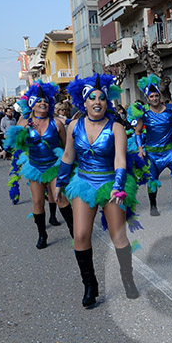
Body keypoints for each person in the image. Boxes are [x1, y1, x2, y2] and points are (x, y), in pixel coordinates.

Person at [54, 74, 139, 307]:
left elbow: (120, 159)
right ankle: (90, 285)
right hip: (84, 182)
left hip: (110, 183)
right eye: (92, 98)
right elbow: (68, 155)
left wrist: (119, 187)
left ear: (106, 102)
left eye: (101, 98)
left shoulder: (116, 127)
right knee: (80, 235)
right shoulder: (74, 125)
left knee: (118, 236)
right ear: (85, 102)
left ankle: (128, 279)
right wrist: (60, 182)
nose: (97, 101)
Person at [4, 82, 74, 247]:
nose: (43, 103)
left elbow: (65, 147)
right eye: (38, 101)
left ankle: (74, 231)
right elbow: (14, 141)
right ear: (32, 104)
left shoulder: (56, 123)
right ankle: (42, 234)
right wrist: (24, 126)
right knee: (37, 202)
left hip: (54, 166)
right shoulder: (25, 122)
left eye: (45, 101)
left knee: (60, 199)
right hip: (35, 166)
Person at [130, 75, 172, 216]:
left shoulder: (170, 111)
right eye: (151, 96)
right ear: (147, 98)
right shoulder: (144, 114)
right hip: (151, 153)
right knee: (152, 180)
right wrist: (139, 149)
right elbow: (137, 131)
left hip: (169, 151)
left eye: (156, 95)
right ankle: (153, 205)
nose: (155, 98)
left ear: (159, 96)